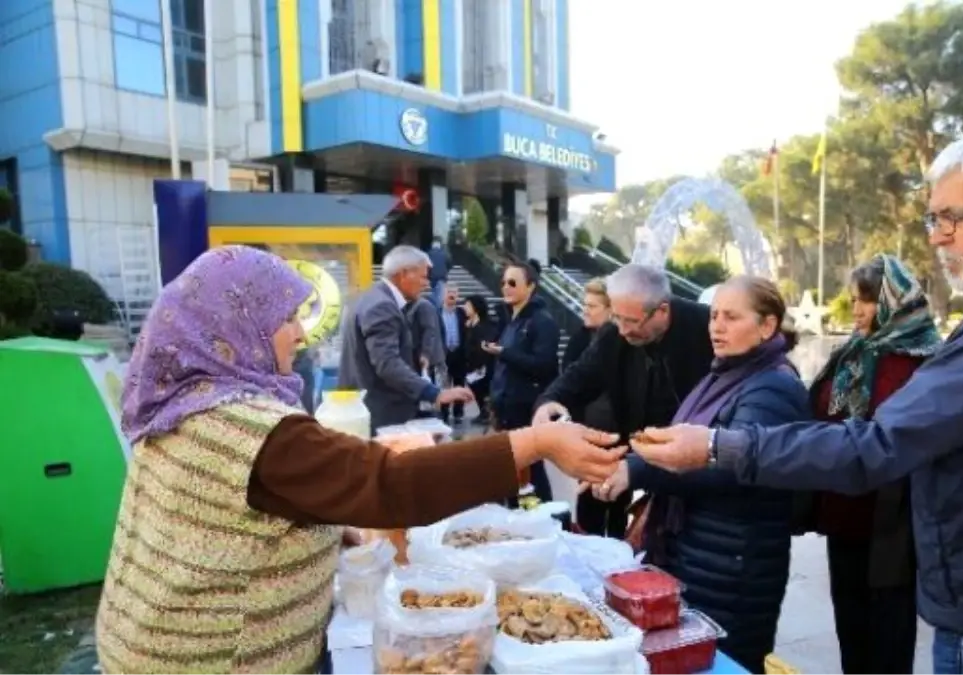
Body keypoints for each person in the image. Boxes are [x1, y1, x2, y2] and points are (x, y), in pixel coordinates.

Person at [631, 130, 963, 675]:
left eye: (951, 219)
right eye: (934, 220)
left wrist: (719, 447)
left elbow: (879, 443)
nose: (937, 239)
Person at [94, 246, 625, 674]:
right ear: (233, 326)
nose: (300, 335)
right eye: (285, 319)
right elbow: (388, 483)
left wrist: (327, 522)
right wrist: (534, 444)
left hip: (141, 642)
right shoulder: (247, 425)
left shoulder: (180, 404)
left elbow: (229, 515)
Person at [591, 276, 810, 674]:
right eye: (713, 316)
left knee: (725, 663)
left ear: (767, 326)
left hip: (735, 568)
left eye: (731, 317)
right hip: (700, 554)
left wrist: (639, 470)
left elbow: (728, 468)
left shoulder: (774, 387)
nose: (716, 327)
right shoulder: (726, 374)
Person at [809, 255, 941, 675]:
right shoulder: (850, 352)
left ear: (897, 303)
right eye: (855, 302)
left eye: (868, 300)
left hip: (893, 525)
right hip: (843, 514)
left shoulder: (926, 361)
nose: (860, 311)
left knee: (887, 636)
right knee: (851, 630)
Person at [533, 264, 714, 447]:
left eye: (633, 321)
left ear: (663, 311)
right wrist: (549, 402)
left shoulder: (709, 328)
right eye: (617, 317)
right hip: (633, 454)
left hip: (697, 459)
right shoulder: (612, 334)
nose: (623, 330)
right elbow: (579, 376)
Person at [339, 245, 472, 432]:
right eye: (424, 276)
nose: (427, 284)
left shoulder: (373, 297)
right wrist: (435, 394)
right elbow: (388, 364)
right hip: (381, 415)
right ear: (404, 274)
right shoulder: (382, 306)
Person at [485, 261, 561, 501]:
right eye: (503, 282)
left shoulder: (542, 322)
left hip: (525, 411)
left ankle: (548, 523)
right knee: (509, 474)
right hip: (505, 411)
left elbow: (545, 366)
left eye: (513, 282)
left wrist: (505, 353)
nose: (506, 287)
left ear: (530, 287)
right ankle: (517, 522)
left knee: (532, 475)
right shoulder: (512, 321)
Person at [563, 278, 625, 537]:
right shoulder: (581, 339)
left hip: (615, 440)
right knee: (589, 510)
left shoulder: (625, 345)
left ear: (611, 310)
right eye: (583, 304)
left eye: (592, 305)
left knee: (617, 508)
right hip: (587, 438)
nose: (584, 310)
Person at [462, 294, 498, 424]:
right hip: (471, 365)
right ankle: (483, 412)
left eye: (468, 305)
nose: (465, 308)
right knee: (476, 389)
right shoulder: (468, 324)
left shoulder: (486, 325)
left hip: (483, 366)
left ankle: (487, 413)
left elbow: (485, 344)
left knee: (482, 389)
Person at [439, 285, 469, 424]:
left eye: (454, 292)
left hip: (459, 354)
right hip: (443, 355)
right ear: (443, 294)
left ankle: (458, 412)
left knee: (459, 383)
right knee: (444, 384)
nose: (452, 295)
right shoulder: (436, 312)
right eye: (449, 292)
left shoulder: (462, 313)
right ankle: (444, 412)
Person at [427, 236, 450, 306]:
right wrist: (446, 271)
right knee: (440, 297)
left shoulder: (429, 253)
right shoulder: (444, 253)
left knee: (435, 293)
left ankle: (433, 307)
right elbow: (449, 263)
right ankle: (437, 311)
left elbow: (427, 266)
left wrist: (428, 275)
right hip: (442, 277)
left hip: (432, 278)